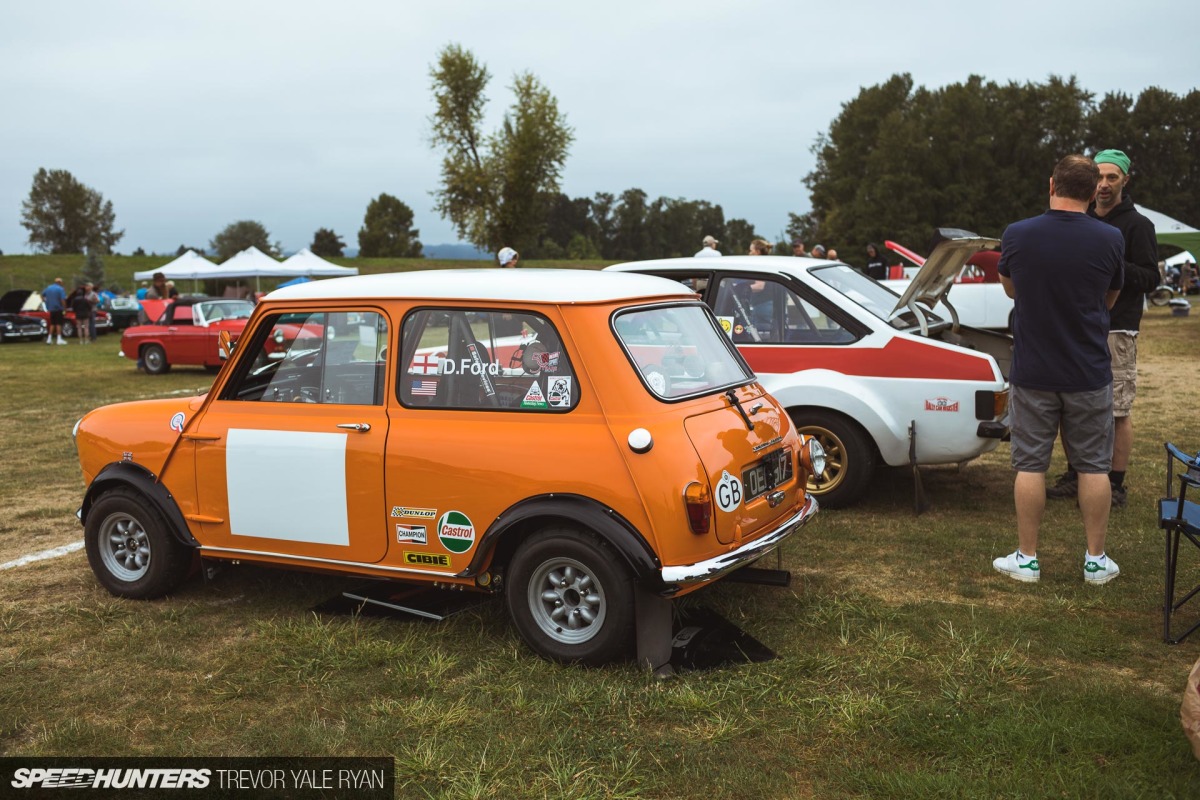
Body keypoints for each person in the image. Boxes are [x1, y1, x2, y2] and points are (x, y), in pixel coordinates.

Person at [992, 154, 1124, 586]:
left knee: (1030, 466)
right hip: (1088, 370)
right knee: (1093, 467)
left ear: (1051, 184)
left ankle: (1027, 559)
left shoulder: (1017, 234)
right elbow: (1109, 299)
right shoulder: (1110, 238)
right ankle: (1095, 560)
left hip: (1033, 370)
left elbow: (1012, 289)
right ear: (1092, 192)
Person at [1046, 149, 1159, 508]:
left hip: (1116, 330)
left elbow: (1151, 278)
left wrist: (1110, 263)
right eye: (1100, 177)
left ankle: (1116, 483)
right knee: (1069, 405)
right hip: (1075, 329)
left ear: (1126, 179)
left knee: (1116, 410)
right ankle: (1075, 474)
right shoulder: (1080, 219)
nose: (1105, 184)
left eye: (1112, 177)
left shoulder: (1137, 225)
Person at [42, 277, 68, 345]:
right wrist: (65, 308)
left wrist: (46, 301)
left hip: (51, 309)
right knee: (59, 324)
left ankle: (49, 339)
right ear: (60, 282)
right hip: (58, 308)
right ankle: (59, 339)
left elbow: (42, 295)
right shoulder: (60, 289)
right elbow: (63, 300)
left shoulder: (48, 288)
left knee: (52, 324)